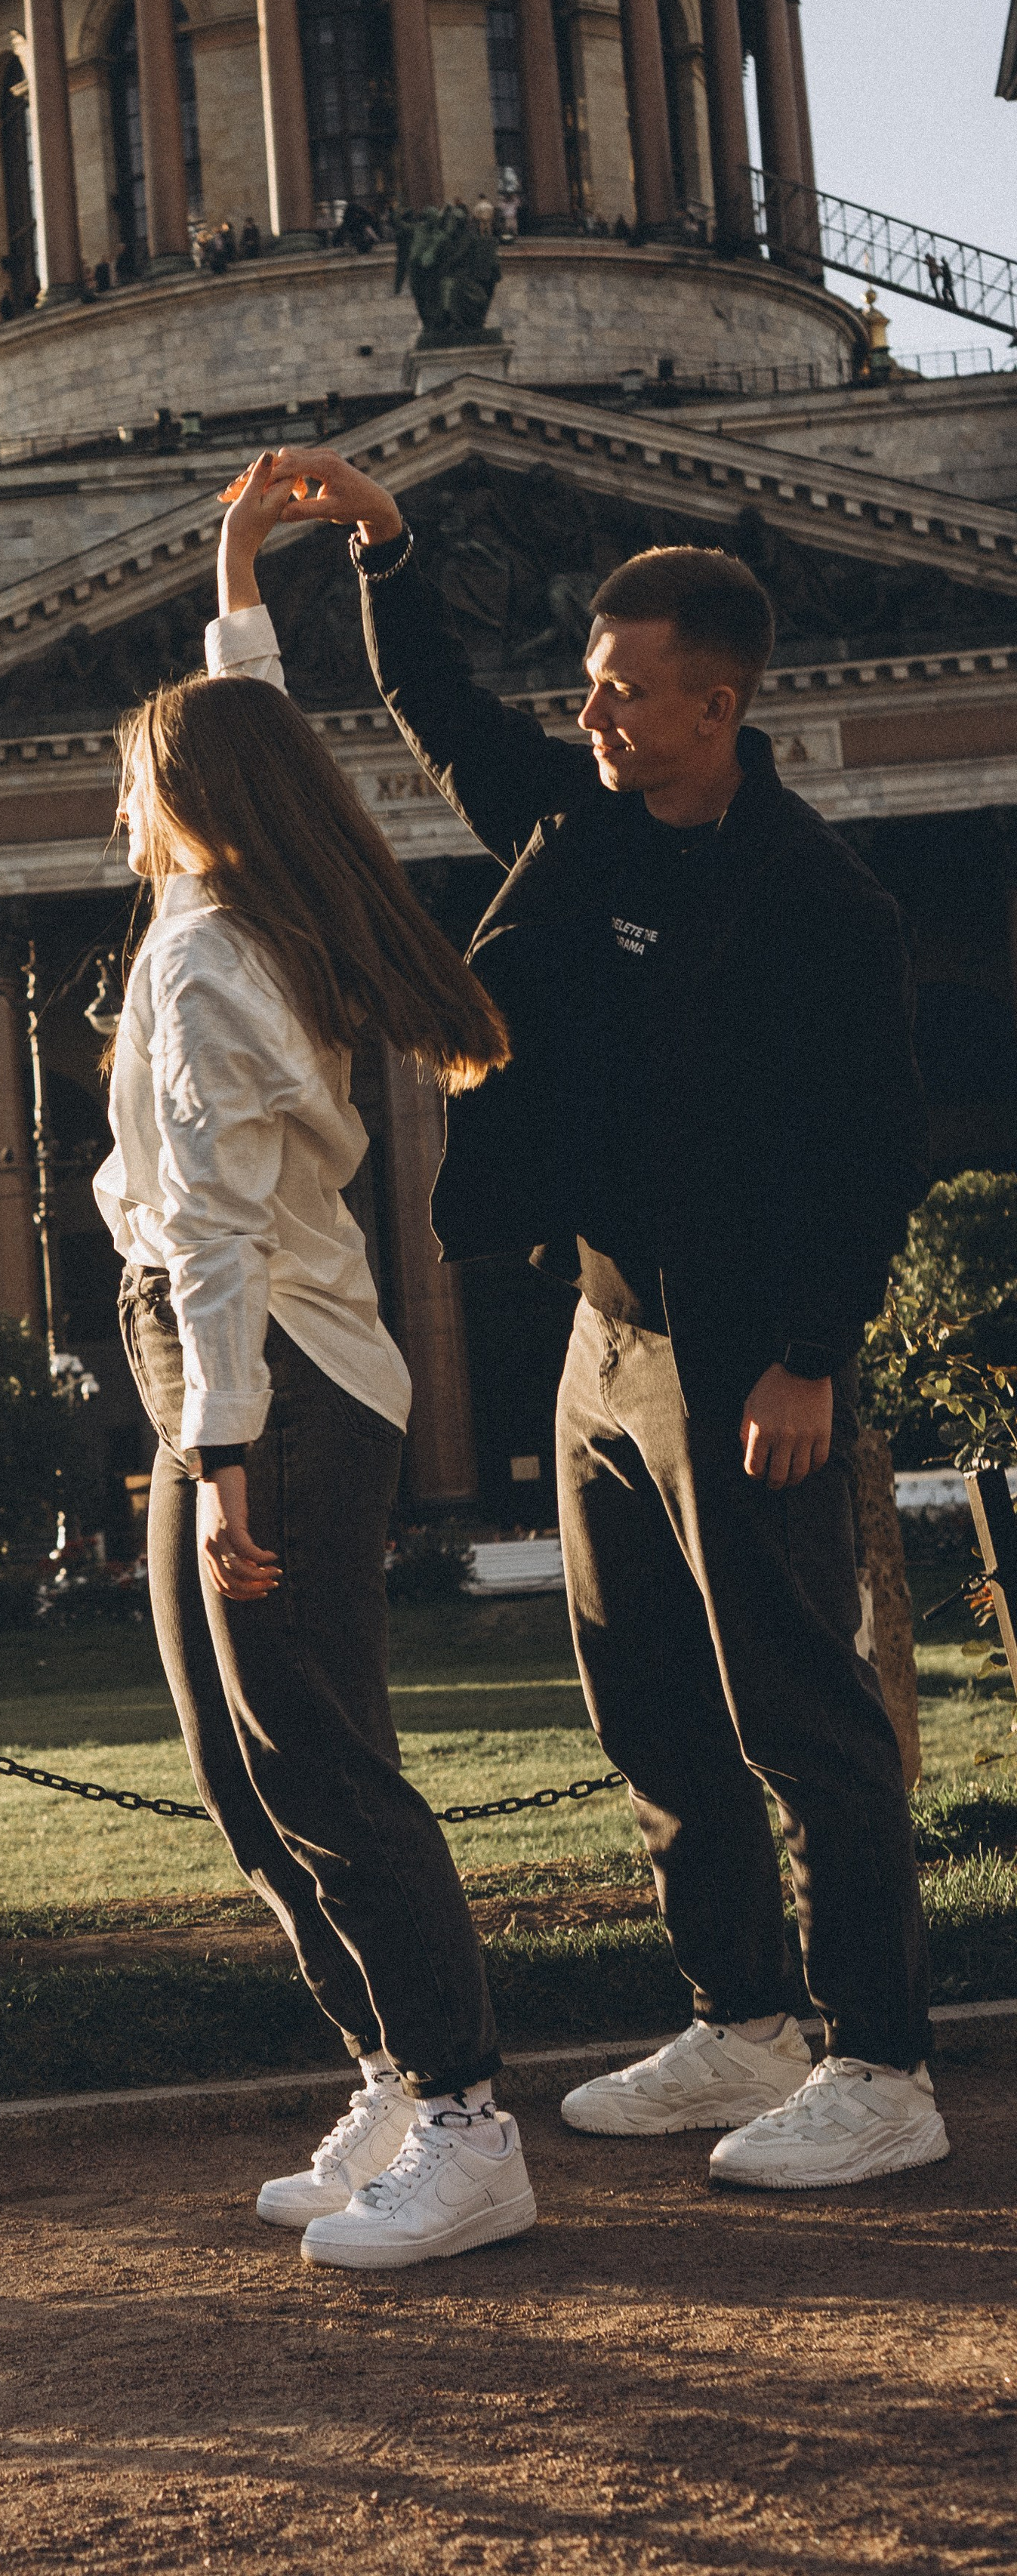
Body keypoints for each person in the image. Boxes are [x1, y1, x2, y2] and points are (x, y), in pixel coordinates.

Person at [267, 445, 945, 2191]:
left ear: (713, 707)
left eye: (623, 693)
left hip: (746, 1358)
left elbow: (871, 1146)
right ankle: (742, 2021)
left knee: (800, 1711)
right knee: (640, 1697)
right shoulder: (572, 818)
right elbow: (431, 709)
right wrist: (384, 548)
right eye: (587, 684)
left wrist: (808, 1350)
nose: (588, 714)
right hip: (605, 1332)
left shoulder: (815, 900)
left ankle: (880, 2062)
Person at [94, 454, 538, 2271]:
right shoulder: (239, 904)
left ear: (175, 799)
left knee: (323, 1763)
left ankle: (463, 2118)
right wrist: (237, 568)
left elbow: (204, 1235)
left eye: (131, 774)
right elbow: (259, 725)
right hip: (244, 1369)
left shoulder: (207, 957)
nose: (113, 799)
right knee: (239, 1758)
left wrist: (216, 1467)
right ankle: (385, 2068)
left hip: (255, 1372)